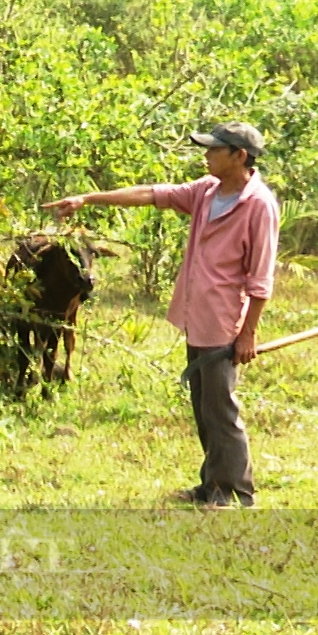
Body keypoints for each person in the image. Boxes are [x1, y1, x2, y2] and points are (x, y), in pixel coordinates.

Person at [42, 122, 279, 509]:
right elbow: (152, 194)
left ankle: (236, 492)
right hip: (196, 314)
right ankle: (210, 486)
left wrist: (248, 333)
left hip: (224, 320)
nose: (206, 155)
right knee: (204, 406)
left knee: (221, 410)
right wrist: (88, 199)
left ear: (239, 156)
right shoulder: (206, 191)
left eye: (214, 150)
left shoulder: (258, 205)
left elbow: (260, 279)